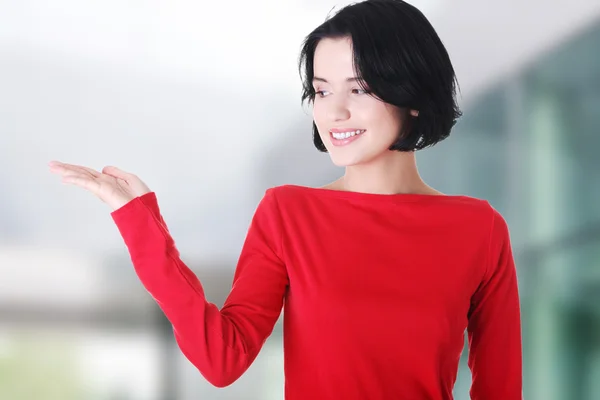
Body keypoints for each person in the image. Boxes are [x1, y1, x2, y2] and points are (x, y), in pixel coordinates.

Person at [48, 0, 523, 399]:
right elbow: (222, 360)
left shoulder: (478, 229)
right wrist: (139, 223)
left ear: (412, 94)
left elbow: (501, 388)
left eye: (359, 88)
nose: (334, 111)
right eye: (320, 90)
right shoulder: (288, 213)